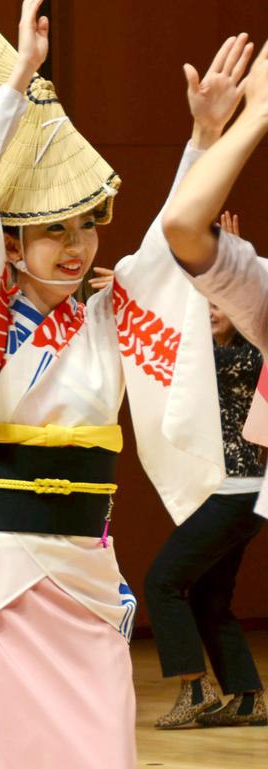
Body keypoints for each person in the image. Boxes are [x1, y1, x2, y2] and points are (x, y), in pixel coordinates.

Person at [0, 4, 235, 767]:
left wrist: (203, 138)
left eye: (87, 224)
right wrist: (15, 80)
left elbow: (167, 247)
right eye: (55, 228)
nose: (78, 245)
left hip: (84, 582)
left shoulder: (113, 314)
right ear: (10, 241)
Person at [145, 212, 265, 729]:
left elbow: (193, 352)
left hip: (239, 494)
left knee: (162, 583)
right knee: (211, 597)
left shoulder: (249, 357)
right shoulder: (205, 359)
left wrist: (233, 267)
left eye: (222, 301)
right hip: (226, 494)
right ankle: (246, 696)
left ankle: (194, 689)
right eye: (208, 302)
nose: (212, 311)